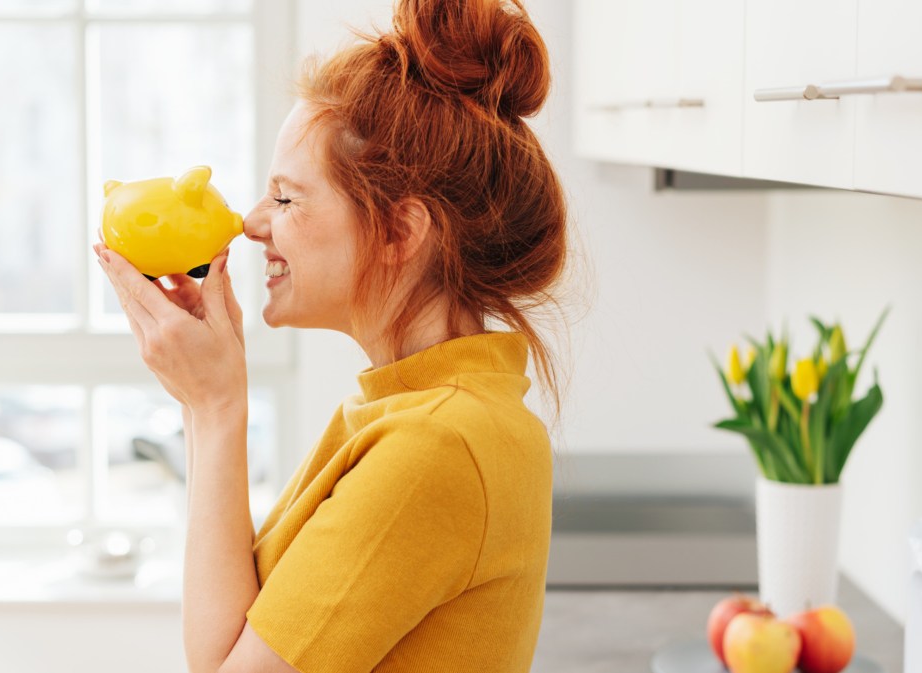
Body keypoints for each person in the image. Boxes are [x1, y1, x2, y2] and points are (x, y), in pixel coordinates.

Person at [94, 0, 569, 670]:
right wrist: (206, 405)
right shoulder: (415, 413)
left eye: (286, 198)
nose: (253, 224)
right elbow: (229, 641)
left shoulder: (436, 446)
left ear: (401, 231)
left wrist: (214, 405)